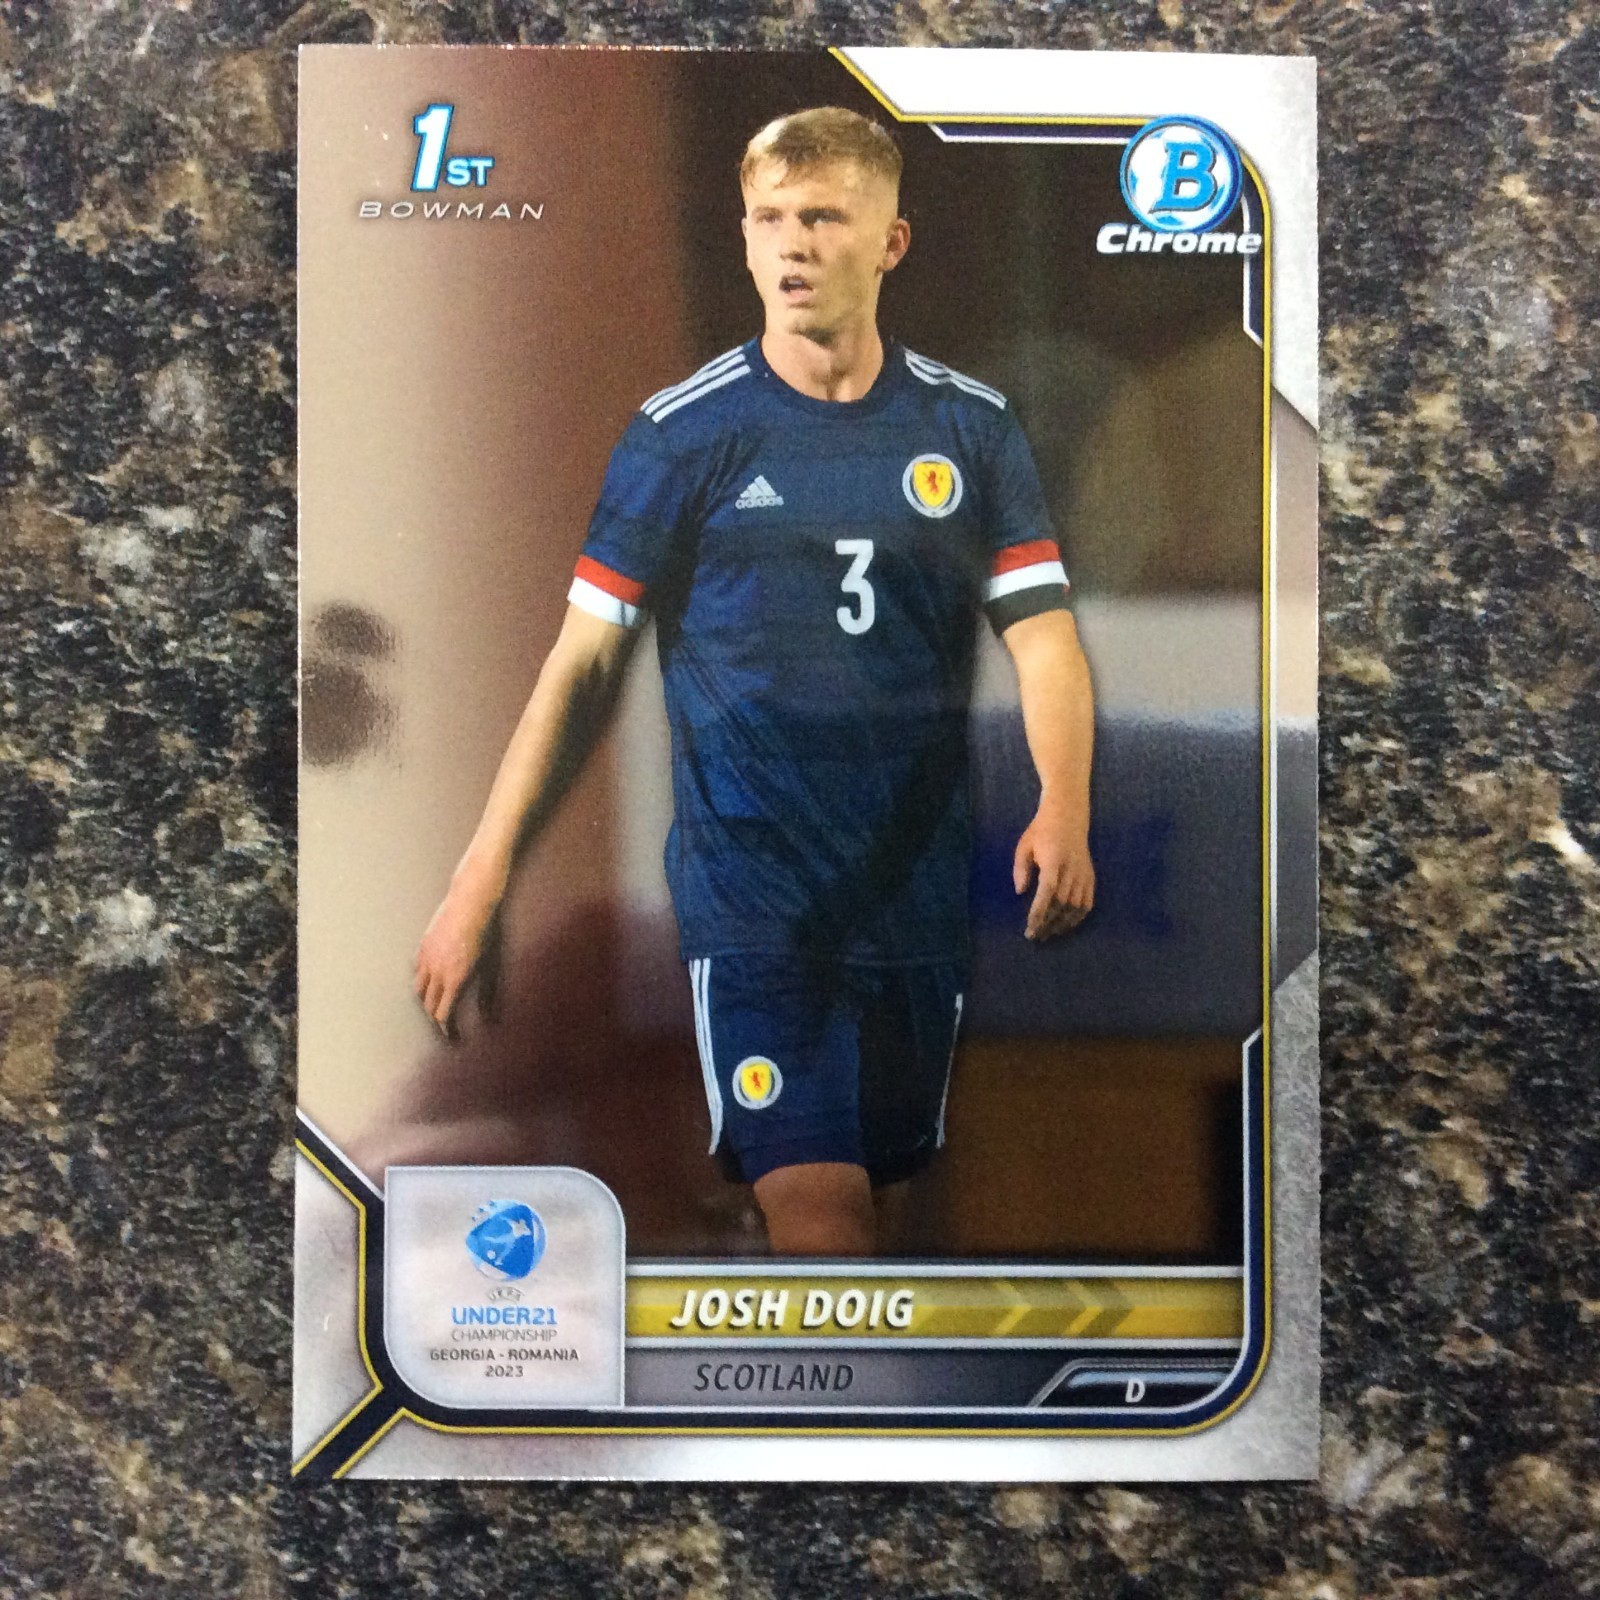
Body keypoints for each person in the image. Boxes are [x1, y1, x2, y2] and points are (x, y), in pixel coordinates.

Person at [414, 107, 1095, 1257]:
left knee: (874, 1218)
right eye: (769, 218)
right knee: (824, 1214)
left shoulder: (969, 430)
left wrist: (1063, 804)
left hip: (912, 899)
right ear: (741, 237)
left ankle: (756, 1304)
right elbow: (581, 665)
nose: (792, 243)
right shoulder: (684, 437)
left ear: (890, 242)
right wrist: (481, 878)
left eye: (822, 217)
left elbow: (1043, 638)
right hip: (757, 902)